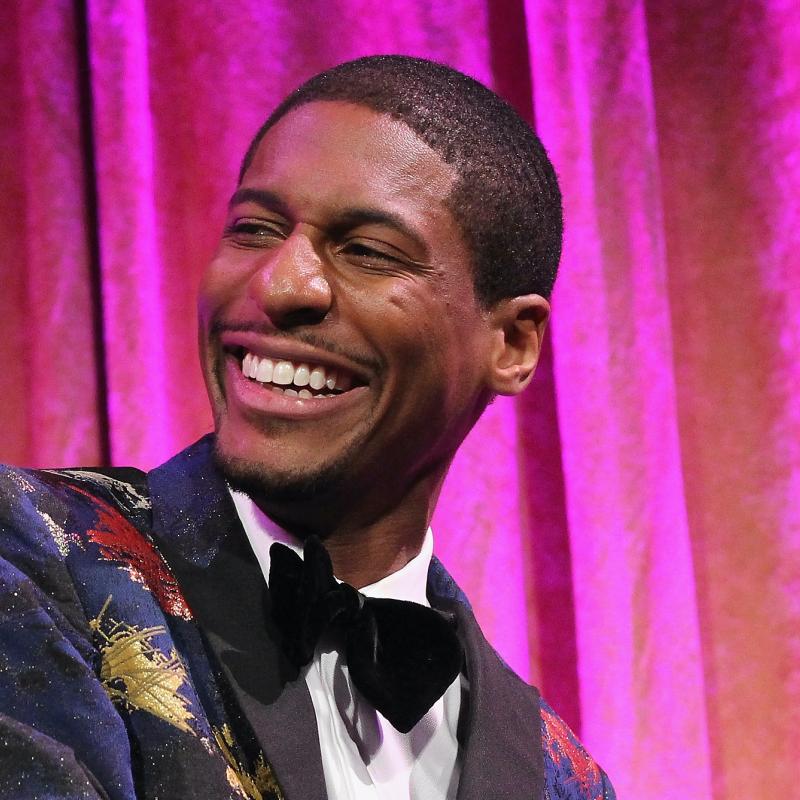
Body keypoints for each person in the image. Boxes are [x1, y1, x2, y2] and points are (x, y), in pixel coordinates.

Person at [0, 56, 615, 799]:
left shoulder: (564, 777)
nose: (280, 284)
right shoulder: (39, 556)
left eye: (368, 252)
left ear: (512, 344)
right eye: (255, 230)